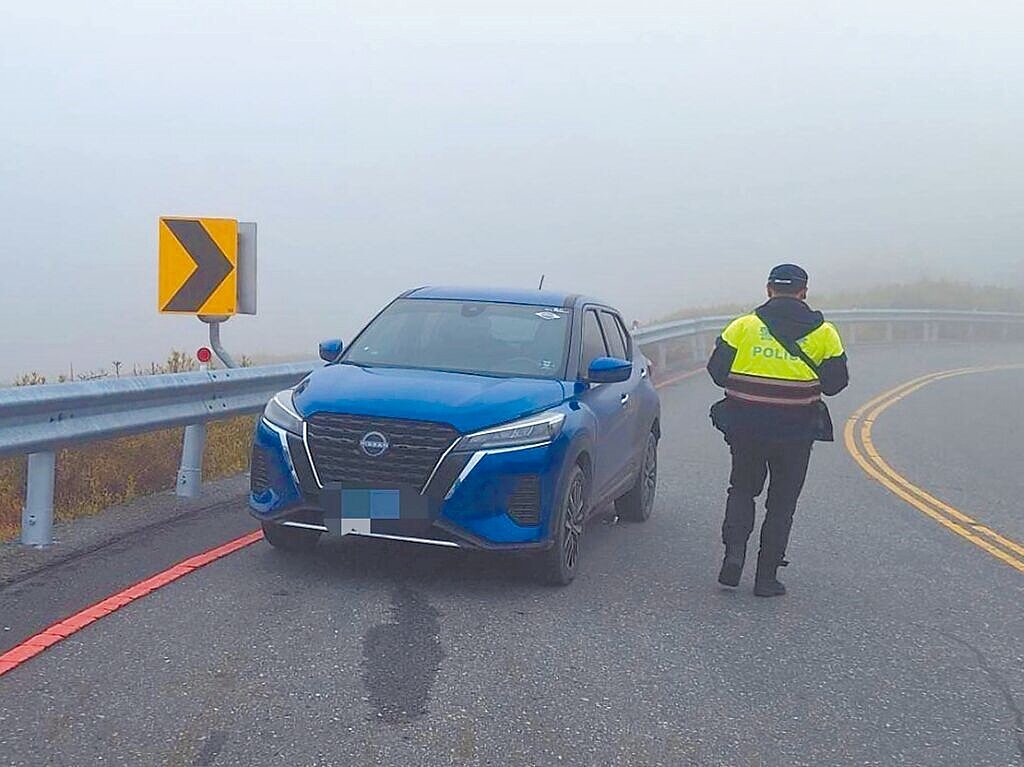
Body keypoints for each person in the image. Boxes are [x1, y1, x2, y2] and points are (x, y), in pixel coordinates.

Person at [706, 264, 849, 597]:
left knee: (742, 490)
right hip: (796, 433)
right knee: (781, 504)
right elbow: (835, 384)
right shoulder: (825, 333)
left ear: (768, 289)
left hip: (746, 428)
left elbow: (716, 372)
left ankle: (733, 555)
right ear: (804, 292)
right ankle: (766, 578)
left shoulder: (743, 327)